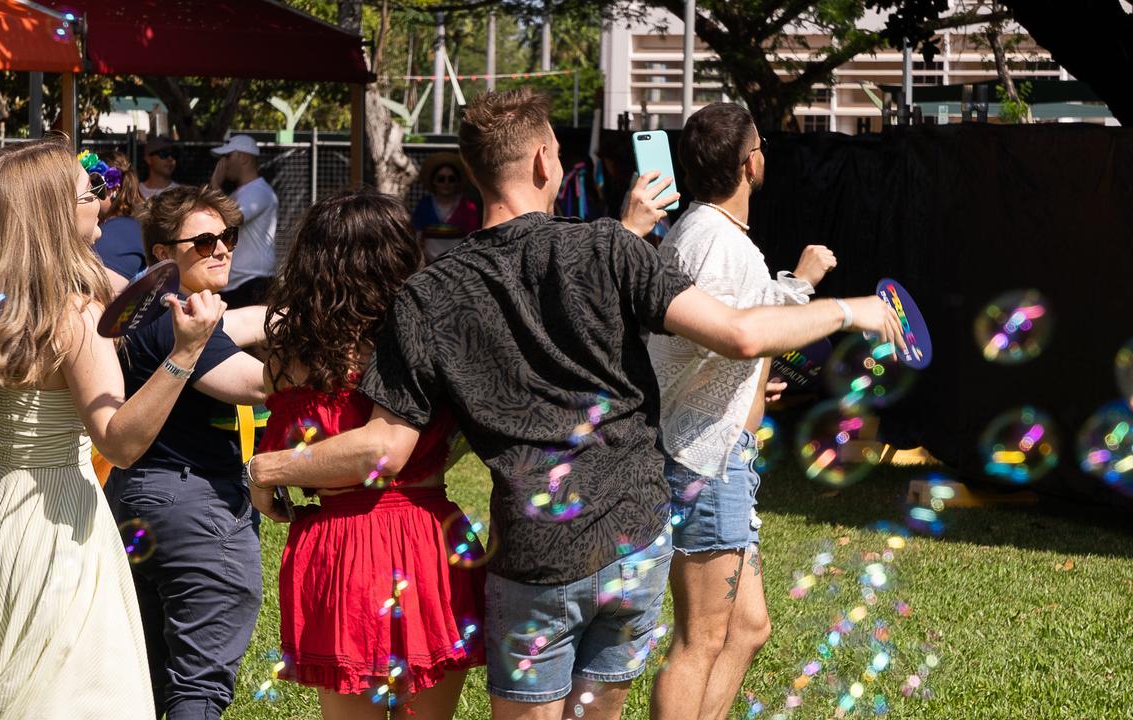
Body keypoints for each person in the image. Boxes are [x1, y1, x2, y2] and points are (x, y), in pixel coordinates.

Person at [245, 88, 906, 720]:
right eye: (558, 151)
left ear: (474, 172)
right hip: (635, 540)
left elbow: (386, 446)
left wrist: (268, 469)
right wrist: (853, 309)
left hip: (535, 553)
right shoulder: (610, 246)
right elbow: (741, 334)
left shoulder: (430, 295)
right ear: (541, 158)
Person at [0, 137, 224, 719]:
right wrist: (186, 353)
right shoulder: (71, 312)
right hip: (56, 531)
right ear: (54, 212)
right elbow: (120, 442)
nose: (103, 199)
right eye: (90, 192)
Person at [252, 189, 484, 719]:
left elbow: (296, 458)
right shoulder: (430, 343)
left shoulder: (289, 360)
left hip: (340, 548)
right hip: (427, 536)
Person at [645, 103, 839, 720]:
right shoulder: (713, 241)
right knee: (700, 638)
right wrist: (805, 287)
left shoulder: (716, 237)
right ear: (750, 160)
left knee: (748, 628)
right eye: (760, 145)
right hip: (703, 458)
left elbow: (733, 334)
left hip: (726, 453)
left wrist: (755, 375)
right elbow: (733, 334)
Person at [104, 184, 270, 720]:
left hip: (137, 504)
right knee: (198, 686)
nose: (221, 248)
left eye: (227, 237)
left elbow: (247, 320)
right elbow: (255, 384)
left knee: (153, 676)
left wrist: (302, 313)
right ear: (163, 255)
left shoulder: (151, 308)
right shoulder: (176, 324)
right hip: (195, 511)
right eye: (202, 241)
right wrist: (334, 359)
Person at [210, 134, 278, 308]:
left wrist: (216, 185)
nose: (223, 163)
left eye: (228, 156)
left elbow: (234, 217)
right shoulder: (238, 193)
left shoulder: (259, 191)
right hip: (237, 283)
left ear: (244, 158)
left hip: (254, 282)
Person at [92, 150, 147, 293]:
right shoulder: (129, 224)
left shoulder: (119, 231)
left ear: (114, 188)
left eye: (92, 184)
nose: (84, 193)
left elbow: (98, 293)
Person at [412, 153, 481, 263]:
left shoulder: (468, 207)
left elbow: (473, 240)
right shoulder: (424, 205)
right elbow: (417, 237)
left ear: (458, 182)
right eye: (441, 179)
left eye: (451, 179)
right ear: (434, 181)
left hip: (458, 265)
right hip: (428, 265)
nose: (446, 183)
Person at [139, 135, 180, 200]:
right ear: (148, 159)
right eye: (163, 154)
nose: (170, 158)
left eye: (174, 154)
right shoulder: (136, 193)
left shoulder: (181, 194)